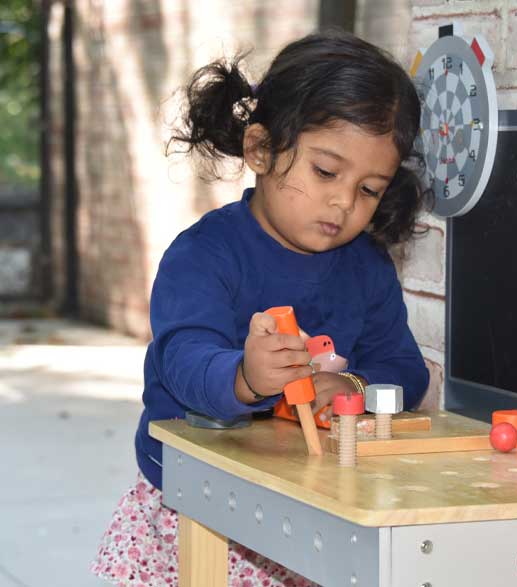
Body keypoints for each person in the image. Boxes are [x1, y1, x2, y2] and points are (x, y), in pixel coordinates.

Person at [91, 29, 431, 587]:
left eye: (369, 189)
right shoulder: (205, 254)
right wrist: (246, 377)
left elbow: (405, 369)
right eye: (326, 172)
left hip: (315, 511)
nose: (345, 202)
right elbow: (183, 359)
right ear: (261, 149)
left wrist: (357, 387)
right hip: (200, 511)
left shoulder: (366, 268)